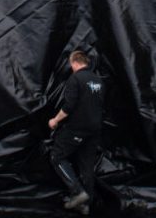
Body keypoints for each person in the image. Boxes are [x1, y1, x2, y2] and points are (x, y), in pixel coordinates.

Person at [49, 50, 104, 215]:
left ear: (74, 62)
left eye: (70, 64)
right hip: (95, 129)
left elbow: (69, 106)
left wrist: (55, 120)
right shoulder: (98, 80)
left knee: (57, 157)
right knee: (87, 166)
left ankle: (77, 192)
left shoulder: (76, 78)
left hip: (78, 127)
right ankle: (86, 206)